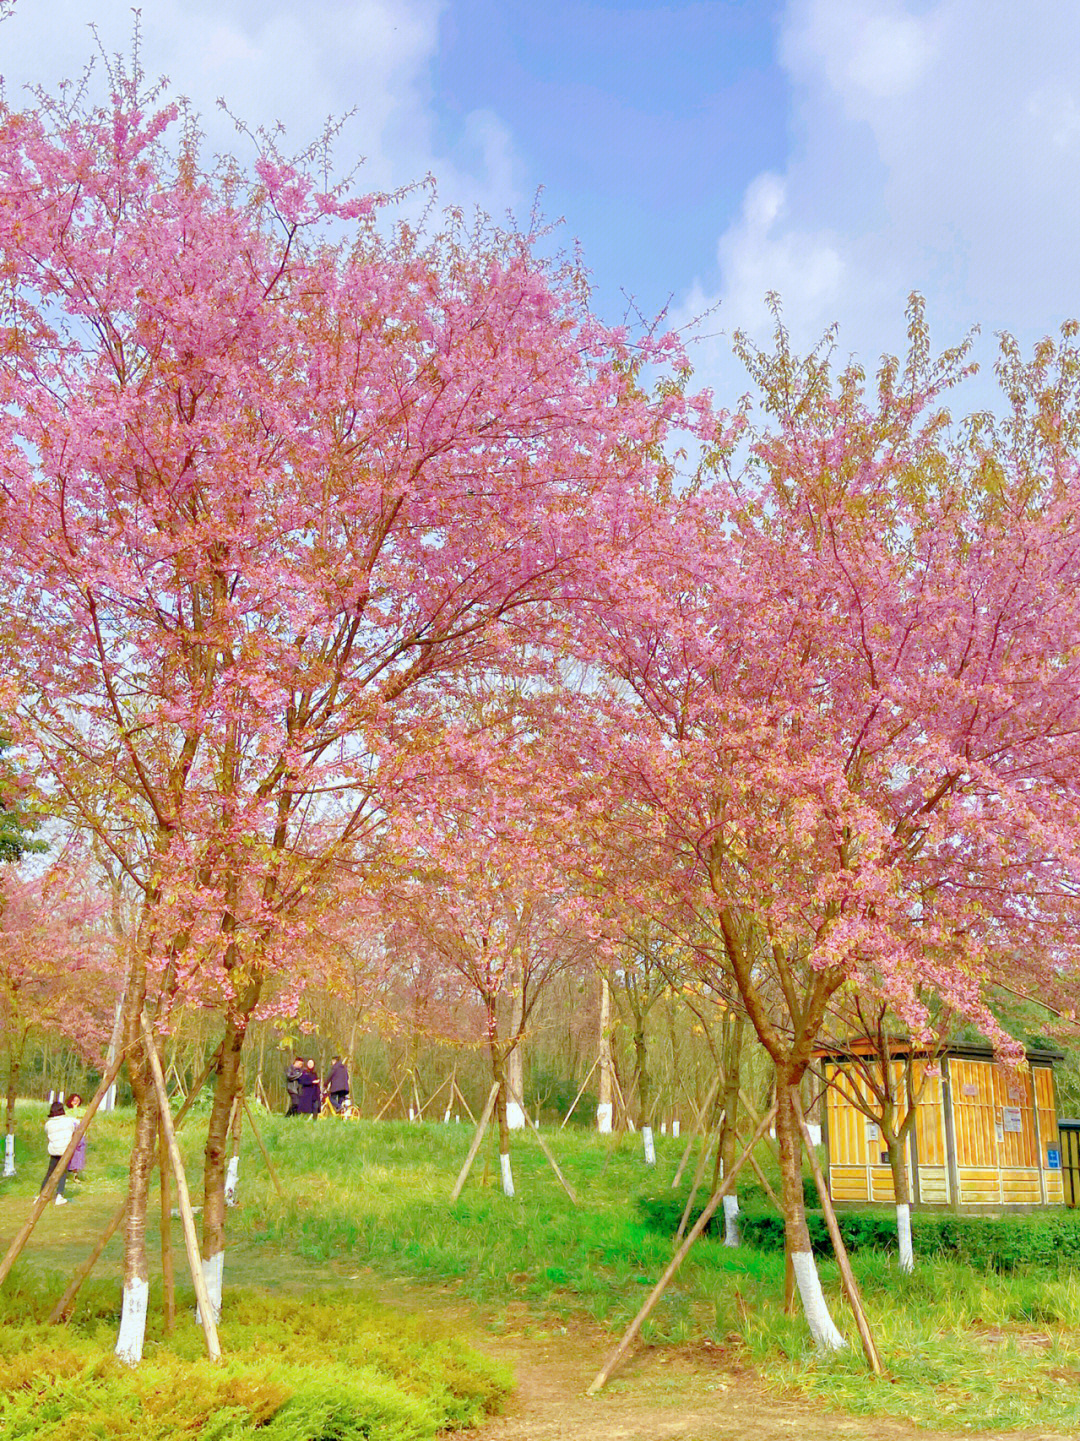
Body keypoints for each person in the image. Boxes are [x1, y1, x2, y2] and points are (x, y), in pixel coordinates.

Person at [41, 1100, 77, 1204]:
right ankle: (59, 1195)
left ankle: (42, 1193)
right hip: (65, 1151)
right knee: (62, 1173)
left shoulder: (48, 1124)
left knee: (50, 1172)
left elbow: (48, 1134)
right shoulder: (69, 1121)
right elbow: (74, 1129)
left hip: (54, 1150)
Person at [66, 1093, 87, 1185]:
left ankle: (75, 1175)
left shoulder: (83, 1111)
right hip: (69, 1135)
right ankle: (65, 1174)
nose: (76, 1102)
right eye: (74, 1100)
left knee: (78, 1155)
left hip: (81, 1135)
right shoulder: (67, 1112)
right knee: (68, 1154)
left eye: (77, 1100)